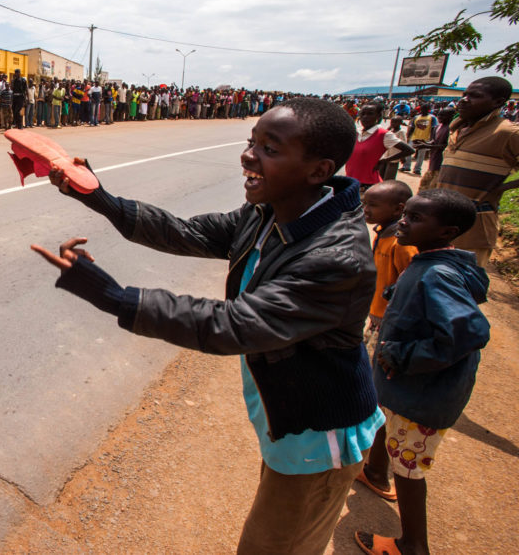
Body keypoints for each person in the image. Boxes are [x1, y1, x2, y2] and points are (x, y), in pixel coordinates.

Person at [33, 98, 383, 555]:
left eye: (270, 149)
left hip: (320, 436)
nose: (248, 156)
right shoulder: (272, 212)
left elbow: (235, 325)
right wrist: (95, 195)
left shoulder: (336, 259)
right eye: (251, 142)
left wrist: (114, 296)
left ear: (318, 171)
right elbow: (186, 231)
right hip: (292, 421)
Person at [354, 189, 489, 555]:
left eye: (414, 218)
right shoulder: (431, 261)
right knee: (387, 422)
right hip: (408, 391)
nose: (403, 222)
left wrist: (402, 355)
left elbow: (469, 332)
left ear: (446, 231)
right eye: (405, 215)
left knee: (410, 469)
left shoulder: (438, 274)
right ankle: (375, 472)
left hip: (423, 396)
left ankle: (412, 545)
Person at [431, 77, 519, 268]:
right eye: (465, 95)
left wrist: (501, 189)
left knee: (459, 287)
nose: (464, 100)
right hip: (441, 222)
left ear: (498, 101)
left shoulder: (507, 133)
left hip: (473, 229)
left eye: (475, 96)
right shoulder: (458, 128)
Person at [360, 180, 417, 349]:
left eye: (373, 205)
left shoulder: (401, 244)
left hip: (391, 319)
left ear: (398, 209)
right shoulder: (382, 232)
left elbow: (411, 283)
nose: (366, 210)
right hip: (377, 313)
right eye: (364, 203)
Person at [345, 103, 413, 192]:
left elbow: (409, 150)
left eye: (370, 114)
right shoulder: (356, 132)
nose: (365, 117)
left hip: (368, 184)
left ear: (378, 116)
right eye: (363, 114)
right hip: (351, 181)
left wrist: (384, 160)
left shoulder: (383, 135)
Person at [403, 105, 436, 176]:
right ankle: (406, 166)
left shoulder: (432, 118)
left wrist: (432, 139)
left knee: (421, 155)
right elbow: (412, 127)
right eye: (423, 108)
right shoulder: (416, 117)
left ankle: (417, 169)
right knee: (408, 151)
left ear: (428, 109)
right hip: (414, 137)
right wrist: (408, 136)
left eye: (425, 108)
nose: (424, 110)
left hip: (425, 139)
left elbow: (433, 129)